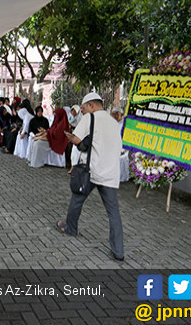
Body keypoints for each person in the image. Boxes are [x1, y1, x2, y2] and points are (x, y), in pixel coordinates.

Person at [56, 92, 125, 261]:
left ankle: (71, 228)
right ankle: (119, 251)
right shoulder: (114, 122)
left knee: (77, 198)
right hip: (110, 173)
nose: (83, 112)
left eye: (84, 108)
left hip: (92, 170)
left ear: (91, 105)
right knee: (113, 212)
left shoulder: (89, 119)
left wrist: (74, 140)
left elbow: (78, 140)